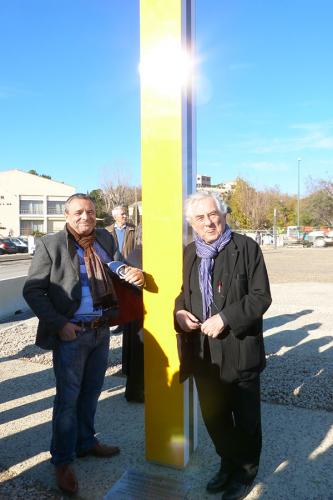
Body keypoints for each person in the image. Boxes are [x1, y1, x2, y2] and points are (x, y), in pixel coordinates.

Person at [23, 193, 144, 495]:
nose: (85, 217)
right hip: (72, 334)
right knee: (67, 400)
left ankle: (86, 442)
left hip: (101, 331)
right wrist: (59, 324)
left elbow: (116, 266)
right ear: (66, 216)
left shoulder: (104, 238)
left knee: (91, 392)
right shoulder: (50, 245)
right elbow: (33, 291)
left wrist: (133, 273)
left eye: (90, 212)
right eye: (78, 212)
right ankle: (62, 461)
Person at [174, 192, 271, 500]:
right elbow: (182, 294)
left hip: (239, 348)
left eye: (213, 214)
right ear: (191, 223)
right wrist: (179, 313)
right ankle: (227, 464)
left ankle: (244, 472)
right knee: (214, 417)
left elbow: (260, 297)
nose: (208, 222)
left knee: (245, 419)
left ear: (223, 214)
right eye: (200, 218)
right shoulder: (189, 252)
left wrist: (226, 318)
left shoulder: (246, 248)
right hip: (203, 354)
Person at [106, 207, 144, 402]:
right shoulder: (140, 253)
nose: (125, 216)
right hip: (137, 306)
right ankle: (137, 390)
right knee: (138, 348)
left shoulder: (133, 234)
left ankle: (135, 388)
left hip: (135, 305)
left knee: (136, 348)